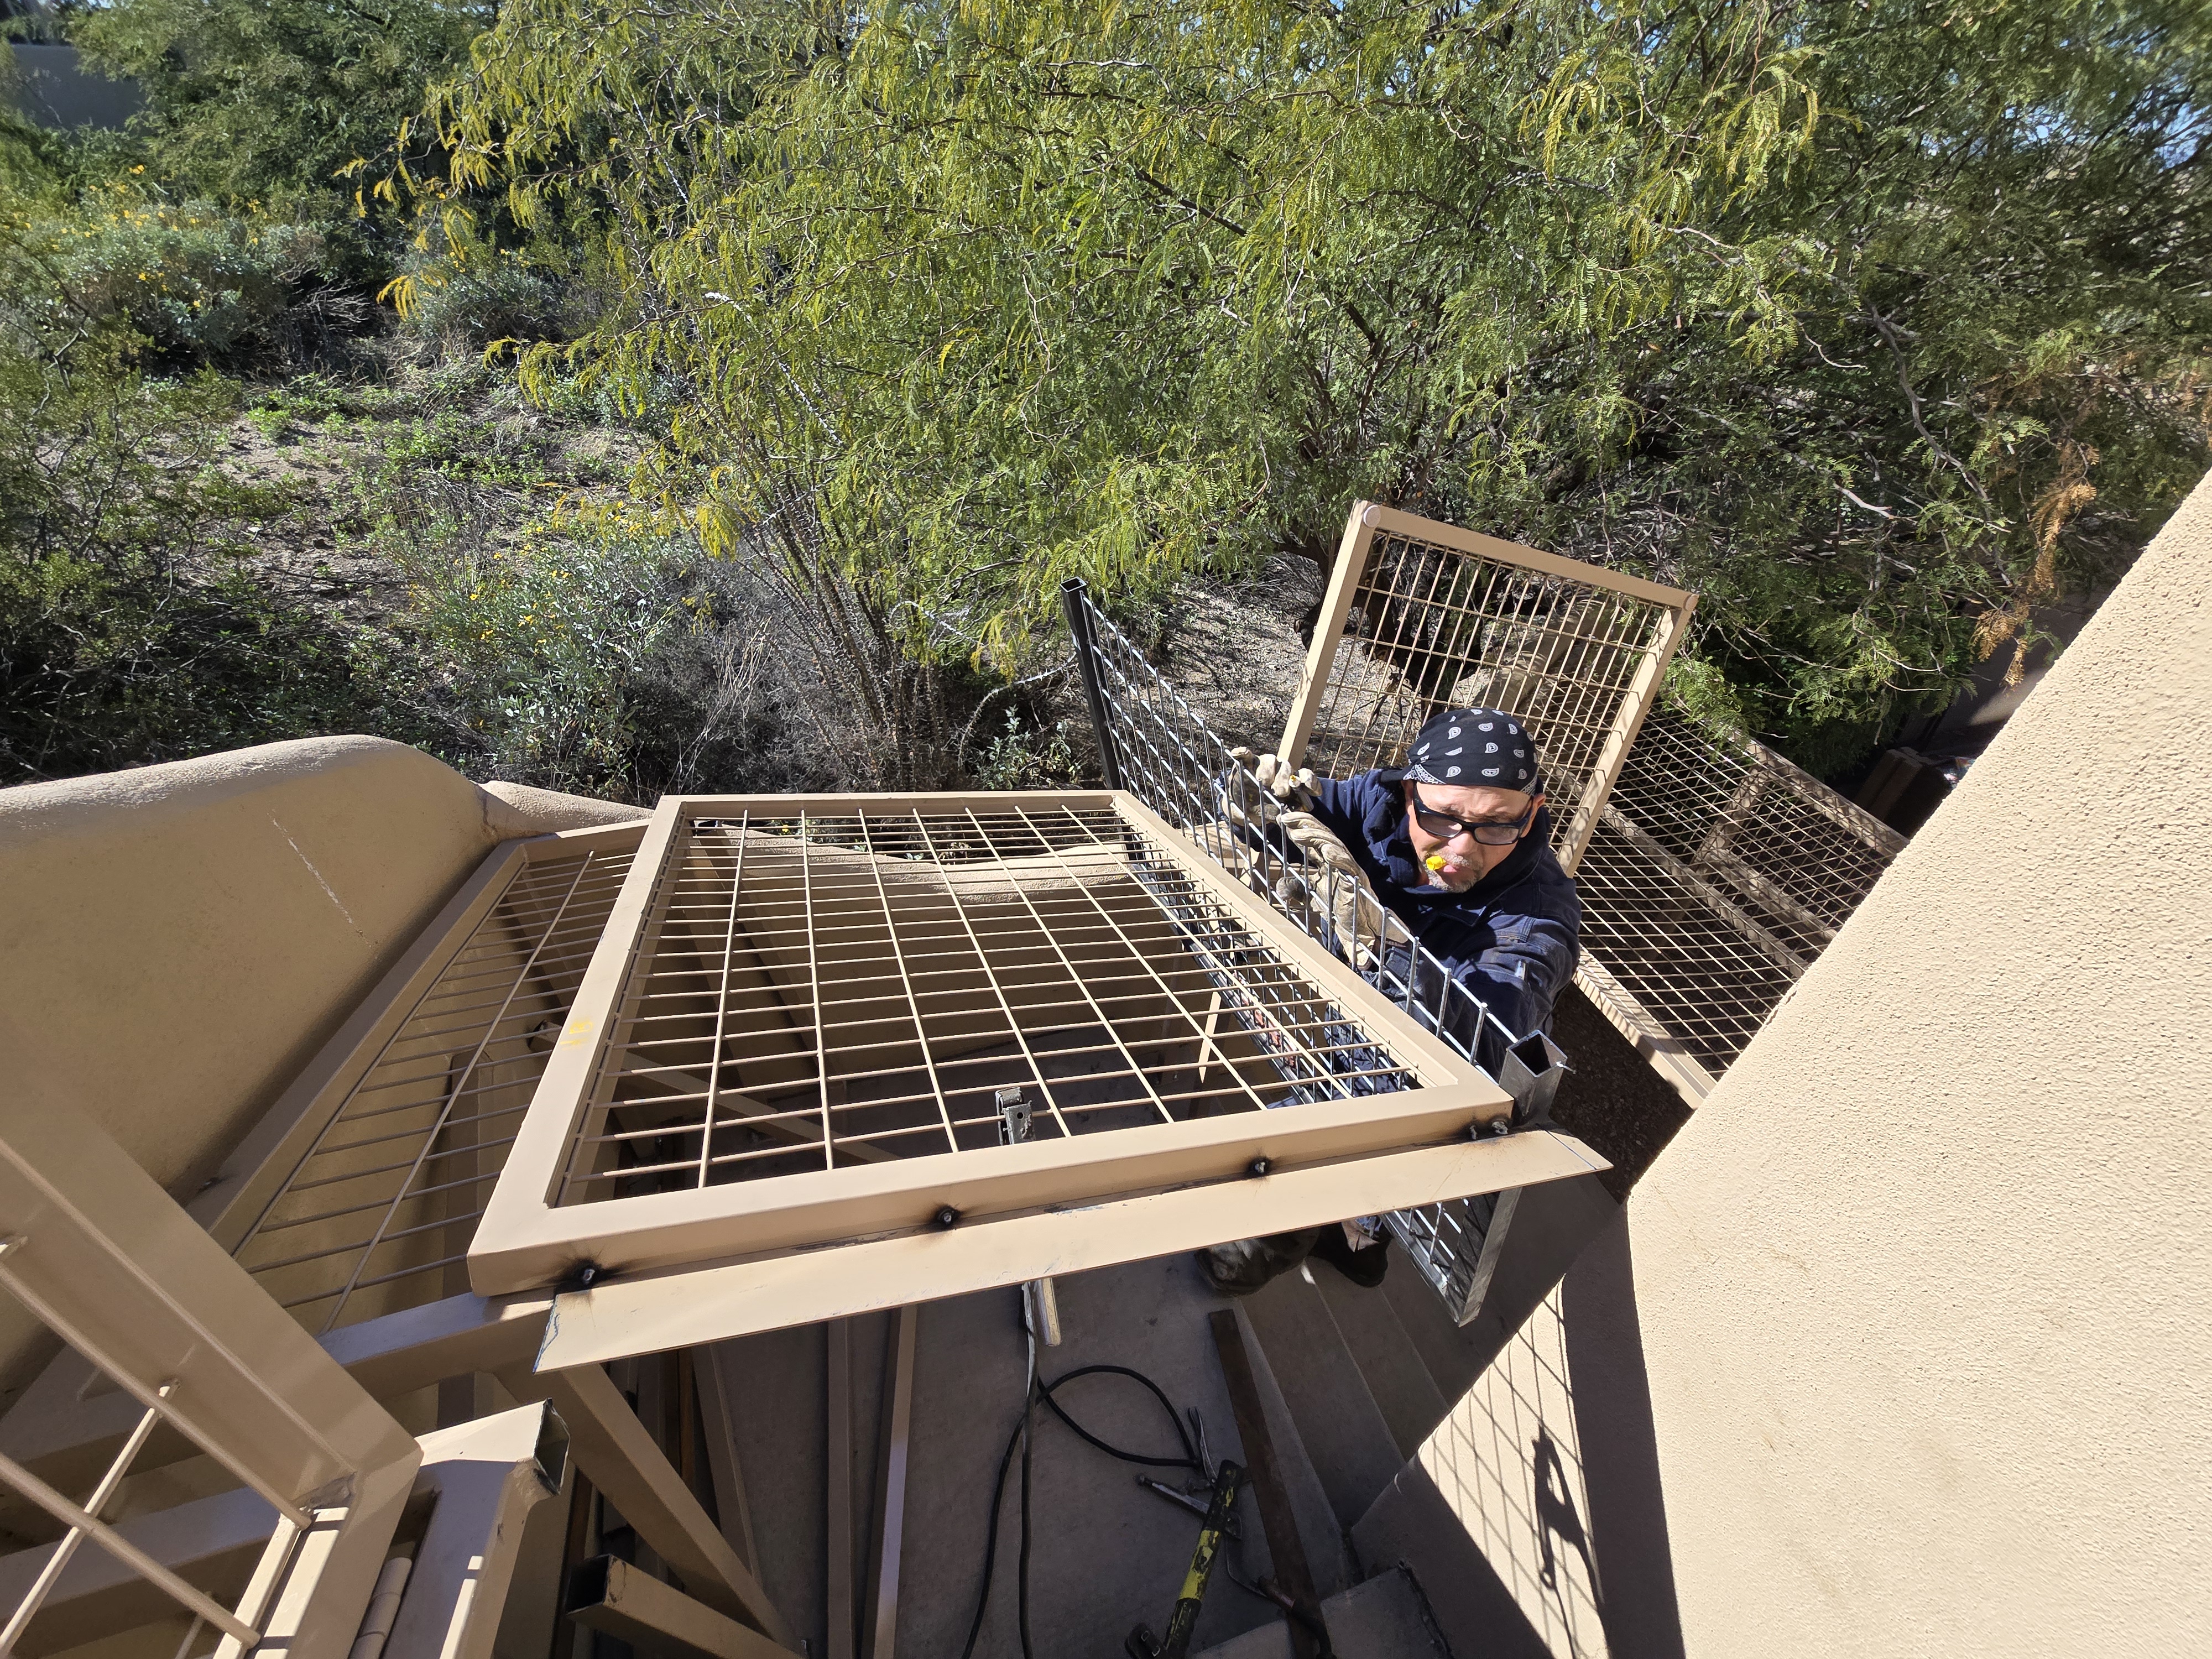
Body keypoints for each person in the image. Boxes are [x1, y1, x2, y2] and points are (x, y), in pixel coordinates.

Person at [1199, 705, 1581, 1297]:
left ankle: (1257, 1253)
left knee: (1297, 1159)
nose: (1463, 847)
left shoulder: (1534, 927)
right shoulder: (1379, 804)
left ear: (1531, 816)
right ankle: (1361, 1248)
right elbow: (1313, 809)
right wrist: (1261, 809)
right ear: (1409, 793)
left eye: (1497, 824)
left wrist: (1390, 949)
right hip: (1349, 1027)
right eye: (1444, 816)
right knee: (1342, 1142)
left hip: (1418, 1082)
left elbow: (1479, 1043)